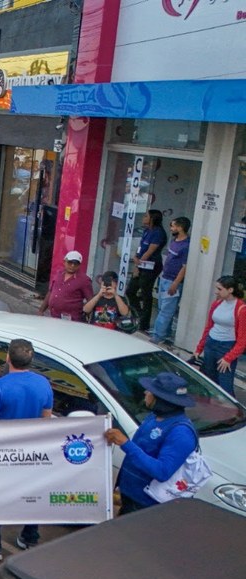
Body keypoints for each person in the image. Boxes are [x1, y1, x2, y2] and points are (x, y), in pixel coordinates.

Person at [0, 339, 53, 561]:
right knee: (32, 493)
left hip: (2, 452)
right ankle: (29, 537)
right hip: (31, 451)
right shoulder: (44, 384)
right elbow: (46, 419)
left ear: (8, 357)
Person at [103, 372, 198, 515]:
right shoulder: (154, 417)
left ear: (161, 399)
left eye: (150, 391)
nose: (145, 392)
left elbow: (162, 471)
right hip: (130, 497)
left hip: (146, 507)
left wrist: (126, 444)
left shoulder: (181, 433)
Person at [194, 276, 246, 395]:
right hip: (210, 344)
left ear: (230, 290)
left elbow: (242, 340)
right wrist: (199, 348)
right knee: (210, 382)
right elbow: (208, 327)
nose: (216, 292)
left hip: (226, 348)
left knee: (225, 386)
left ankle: (230, 407)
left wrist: (229, 358)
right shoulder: (216, 304)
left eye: (220, 289)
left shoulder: (241, 309)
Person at [152, 216, 191, 344]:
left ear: (180, 227)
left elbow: (185, 267)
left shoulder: (186, 246)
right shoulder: (174, 241)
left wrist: (175, 283)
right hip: (165, 278)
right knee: (161, 308)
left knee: (166, 311)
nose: (171, 228)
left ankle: (158, 336)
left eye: (173, 226)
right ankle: (165, 333)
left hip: (173, 281)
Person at [128, 210, 167, 332]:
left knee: (146, 293)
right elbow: (141, 247)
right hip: (140, 264)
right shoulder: (146, 231)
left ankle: (144, 323)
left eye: (146, 216)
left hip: (151, 266)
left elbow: (150, 251)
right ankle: (138, 314)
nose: (143, 218)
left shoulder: (158, 233)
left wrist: (138, 263)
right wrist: (136, 259)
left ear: (152, 218)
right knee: (130, 291)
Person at [38, 251, 92, 321]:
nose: (72, 266)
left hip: (71, 320)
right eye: (70, 262)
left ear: (79, 265)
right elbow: (51, 292)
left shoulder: (84, 280)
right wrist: (41, 310)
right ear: (64, 262)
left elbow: (90, 300)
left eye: (76, 264)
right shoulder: (59, 274)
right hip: (53, 316)